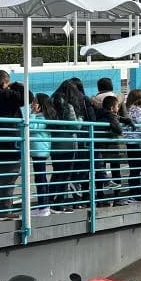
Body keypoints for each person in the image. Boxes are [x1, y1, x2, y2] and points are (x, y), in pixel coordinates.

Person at [0, 70, 26, 221]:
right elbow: (26, 97)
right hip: (9, 141)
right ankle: (4, 210)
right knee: (9, 176)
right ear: (4, 83)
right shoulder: (5, 95)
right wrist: (17, 85)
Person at [49, 79, 87, 213]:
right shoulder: (68, 106)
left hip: (55, 144)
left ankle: (49, 200)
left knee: (57, 172)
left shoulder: (51, 103)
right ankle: (59, 203)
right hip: (68, 144)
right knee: (65, 175)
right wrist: (81, 118)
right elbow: (75, 126)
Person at [97, 95, 129, 204]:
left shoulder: (99, 114)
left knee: (101, 172)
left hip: (102, 147)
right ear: (112, 108)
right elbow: (119, 130)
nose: (118, 108)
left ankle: (101, 199)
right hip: (113, 148)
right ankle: (117, 198)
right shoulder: (111, 116)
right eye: (117, 106)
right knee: (116, 172)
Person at [30, 93, 55, 217]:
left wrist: (32, 113)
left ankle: (44, 207)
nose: (32, 104)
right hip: (38, 151)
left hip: (40, 151)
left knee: (40, 178)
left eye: (34, 101)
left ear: (40, 105)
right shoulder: (43, 117)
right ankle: (43, 206)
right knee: (40, 178)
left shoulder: (42, 118)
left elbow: (29, 126)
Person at [124, 89, 141, 201]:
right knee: (137, 168)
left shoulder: (126, 110)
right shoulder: (138, 111)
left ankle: (134, 191)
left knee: (133, 168)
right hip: (139, 143)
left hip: (129, 142)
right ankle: (136, 193)